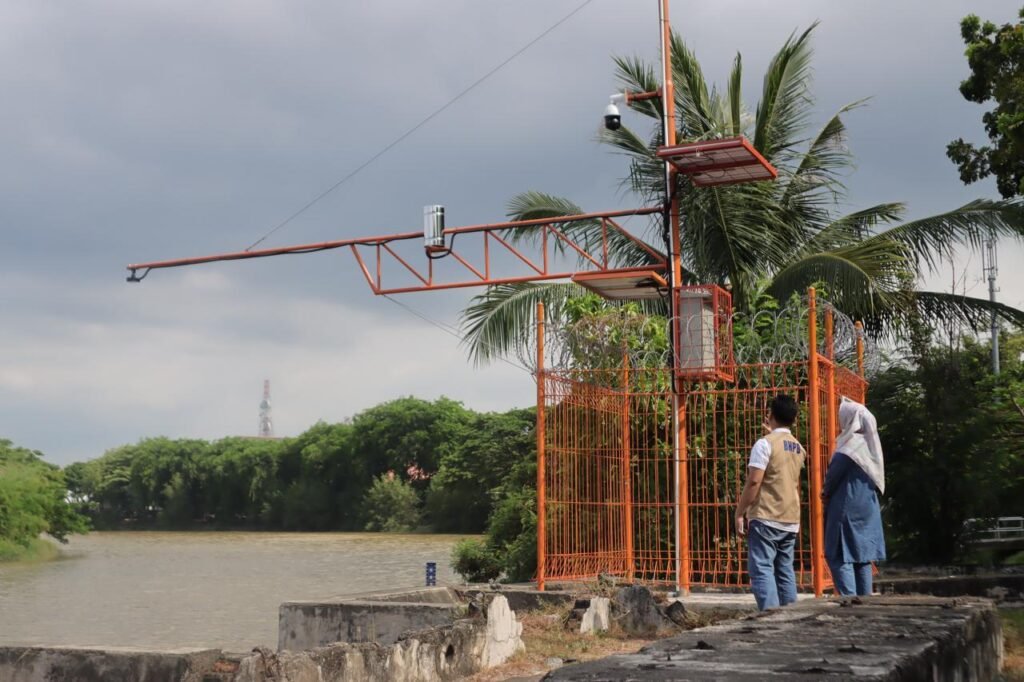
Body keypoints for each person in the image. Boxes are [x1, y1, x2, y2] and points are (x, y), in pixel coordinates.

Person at [735, 394, 806, 611]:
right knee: (784, 570)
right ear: (793, 419)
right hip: (791, 517)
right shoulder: (799, 448)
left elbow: (755, 481)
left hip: (767, 516)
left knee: (762, 569)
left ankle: (770, 617)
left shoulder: (764, 445)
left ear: (770, 414)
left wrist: (740, 512)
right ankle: (791, 616)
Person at [823, 398, 886, 597]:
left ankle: (849, 600)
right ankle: (865, 601)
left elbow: (832, 477)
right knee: (862, 557)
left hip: (846, 508)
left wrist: (824, 493)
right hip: (868, 508)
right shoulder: (871, 446)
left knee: (839, 555)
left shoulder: (849, 448)